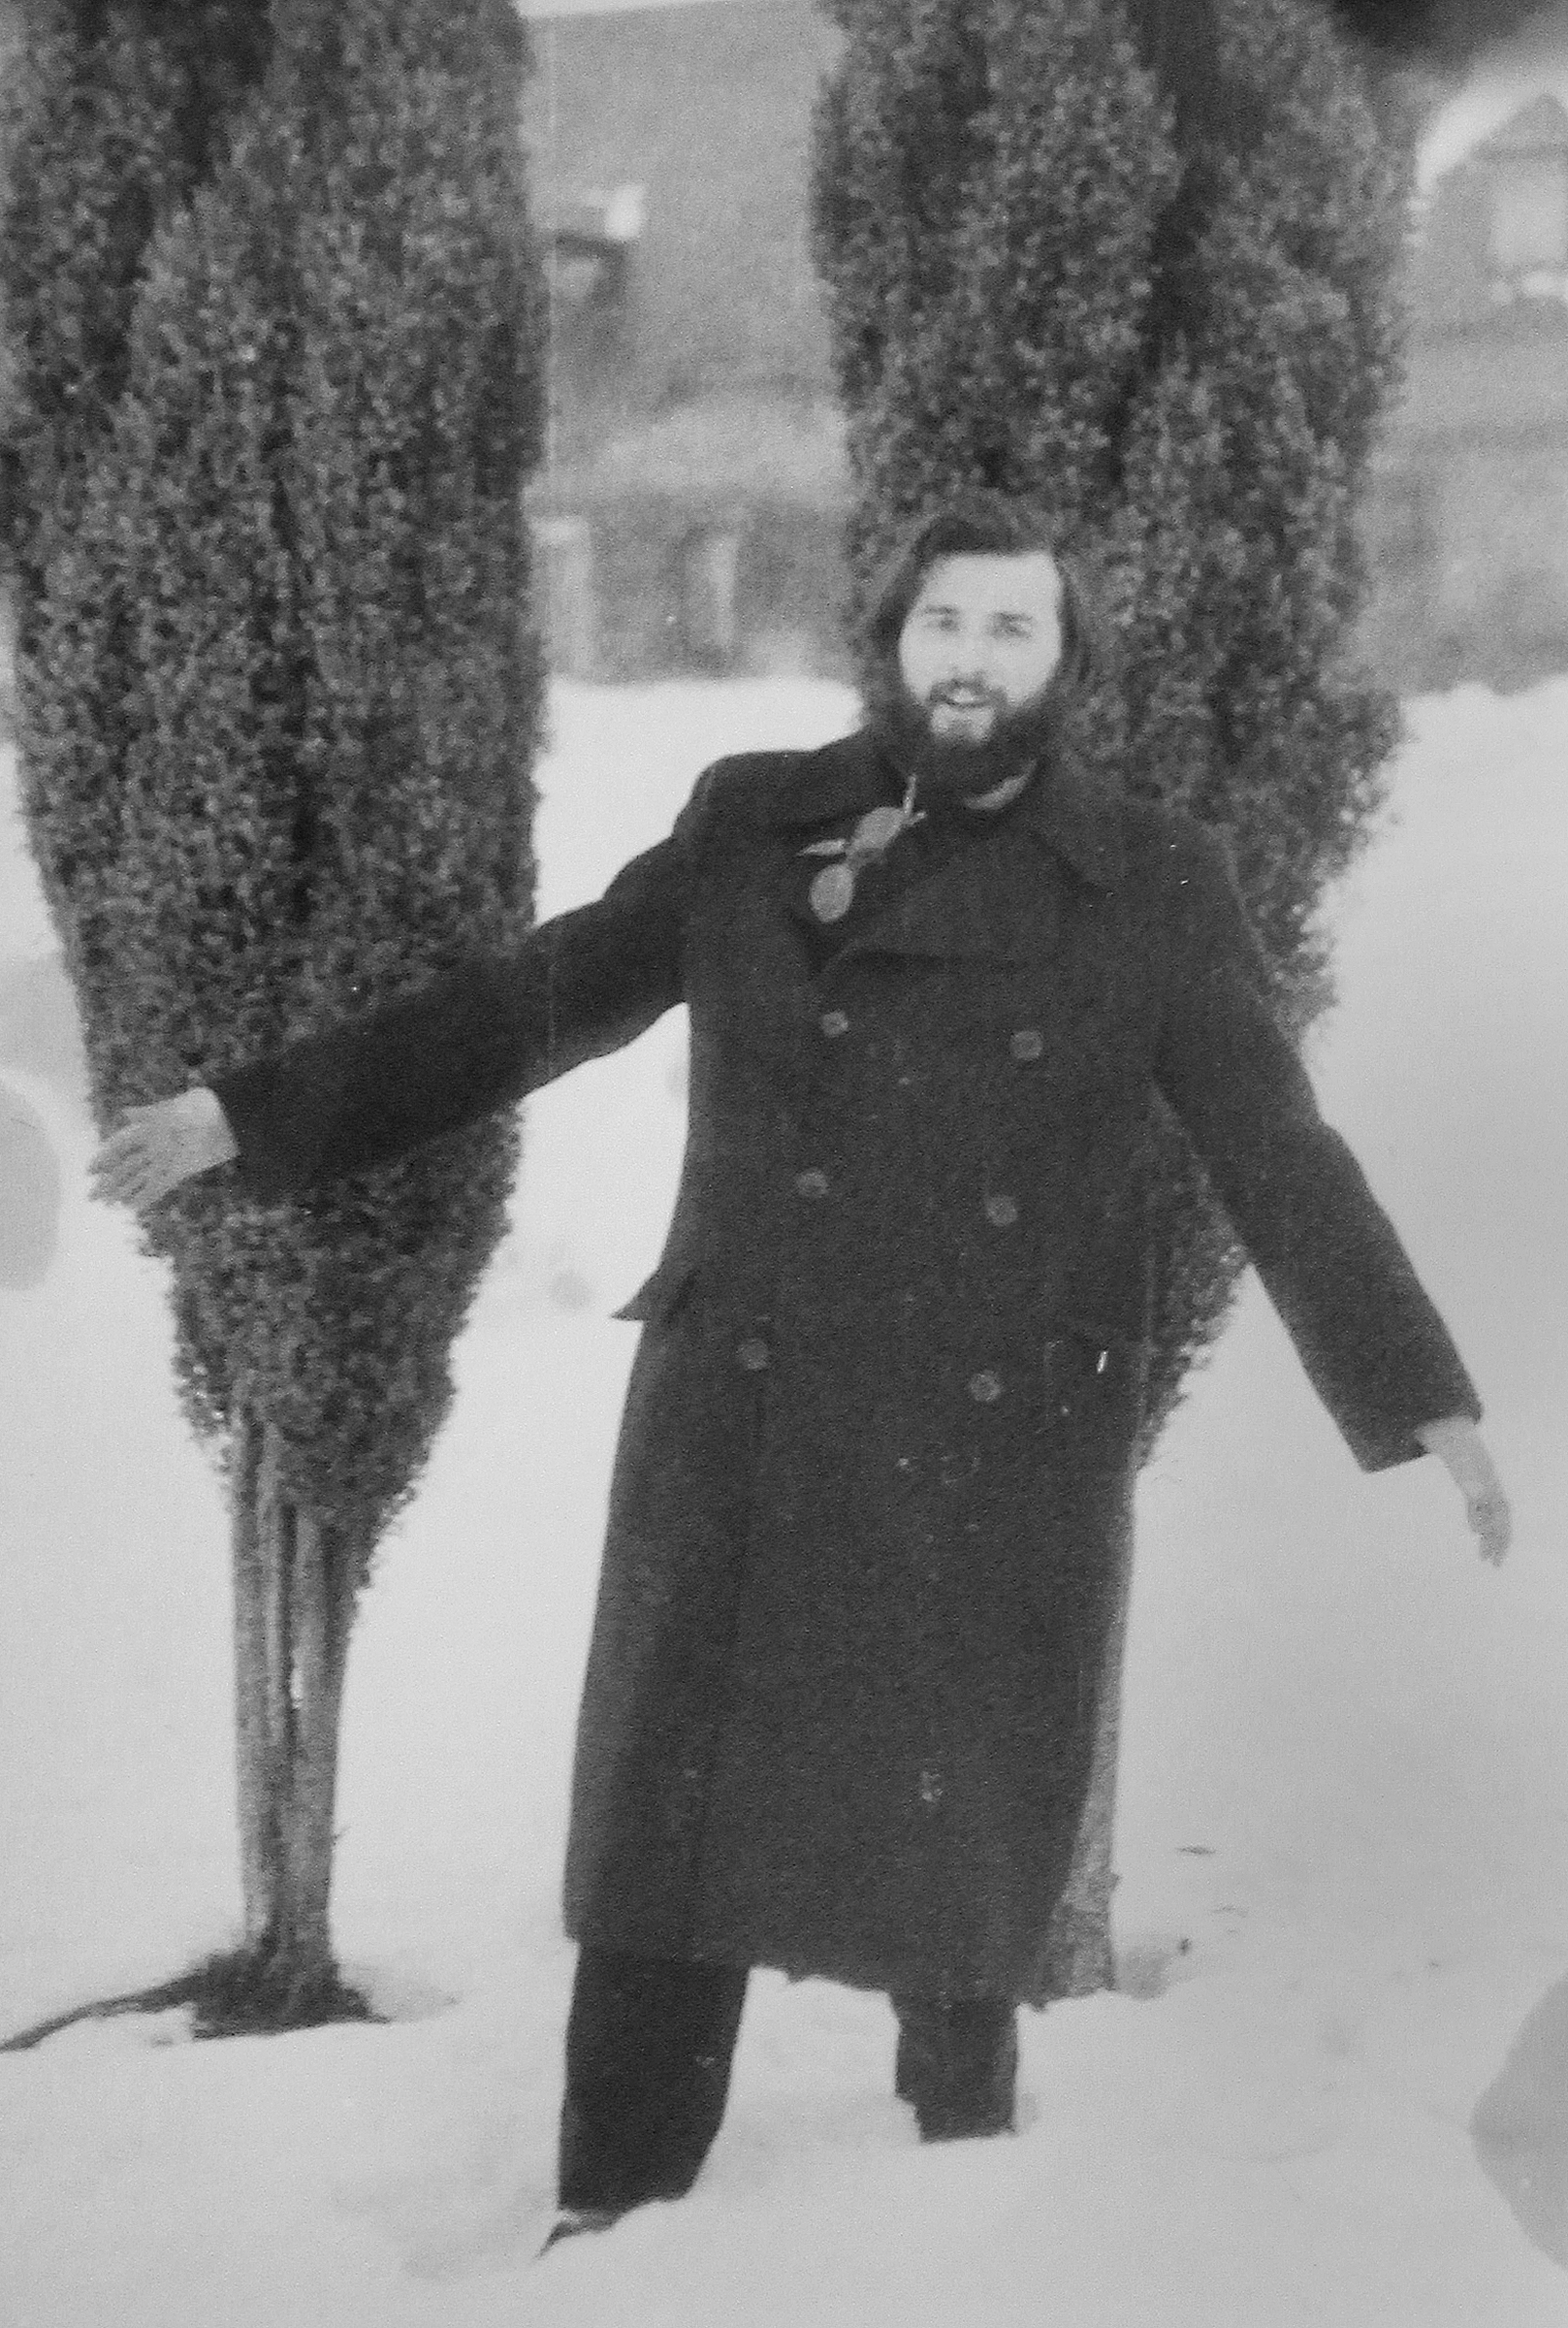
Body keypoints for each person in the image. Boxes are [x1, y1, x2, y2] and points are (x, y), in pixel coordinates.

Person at [91, 493, 1510, 2245]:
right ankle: (609, 2218)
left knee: (954, 1871)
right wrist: (250, 1114)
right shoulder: (752, 823)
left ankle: (948, 2216)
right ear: (894, 638)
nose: (970, 660)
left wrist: (1419, 1391)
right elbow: (540, 1000)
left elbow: (1274, 1146)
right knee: (666, 1854)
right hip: (742, 1417)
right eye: (944, 622)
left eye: (1011, 629)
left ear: (1066, 663)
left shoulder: (1149, 878)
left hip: (987, 1442)